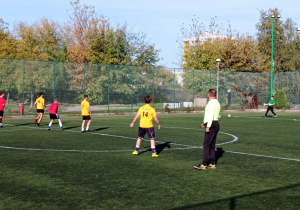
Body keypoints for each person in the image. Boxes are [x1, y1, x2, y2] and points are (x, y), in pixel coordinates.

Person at [194, 89, 221, 170]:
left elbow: (210, 115)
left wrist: (208, 126)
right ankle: (212, 163)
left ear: (209, 95)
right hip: (216, 123)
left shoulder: (210, 103)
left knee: (206, 145)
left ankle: (204, 164)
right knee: (212, 144)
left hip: (211, 124)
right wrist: (204, 123)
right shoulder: (217, 102)